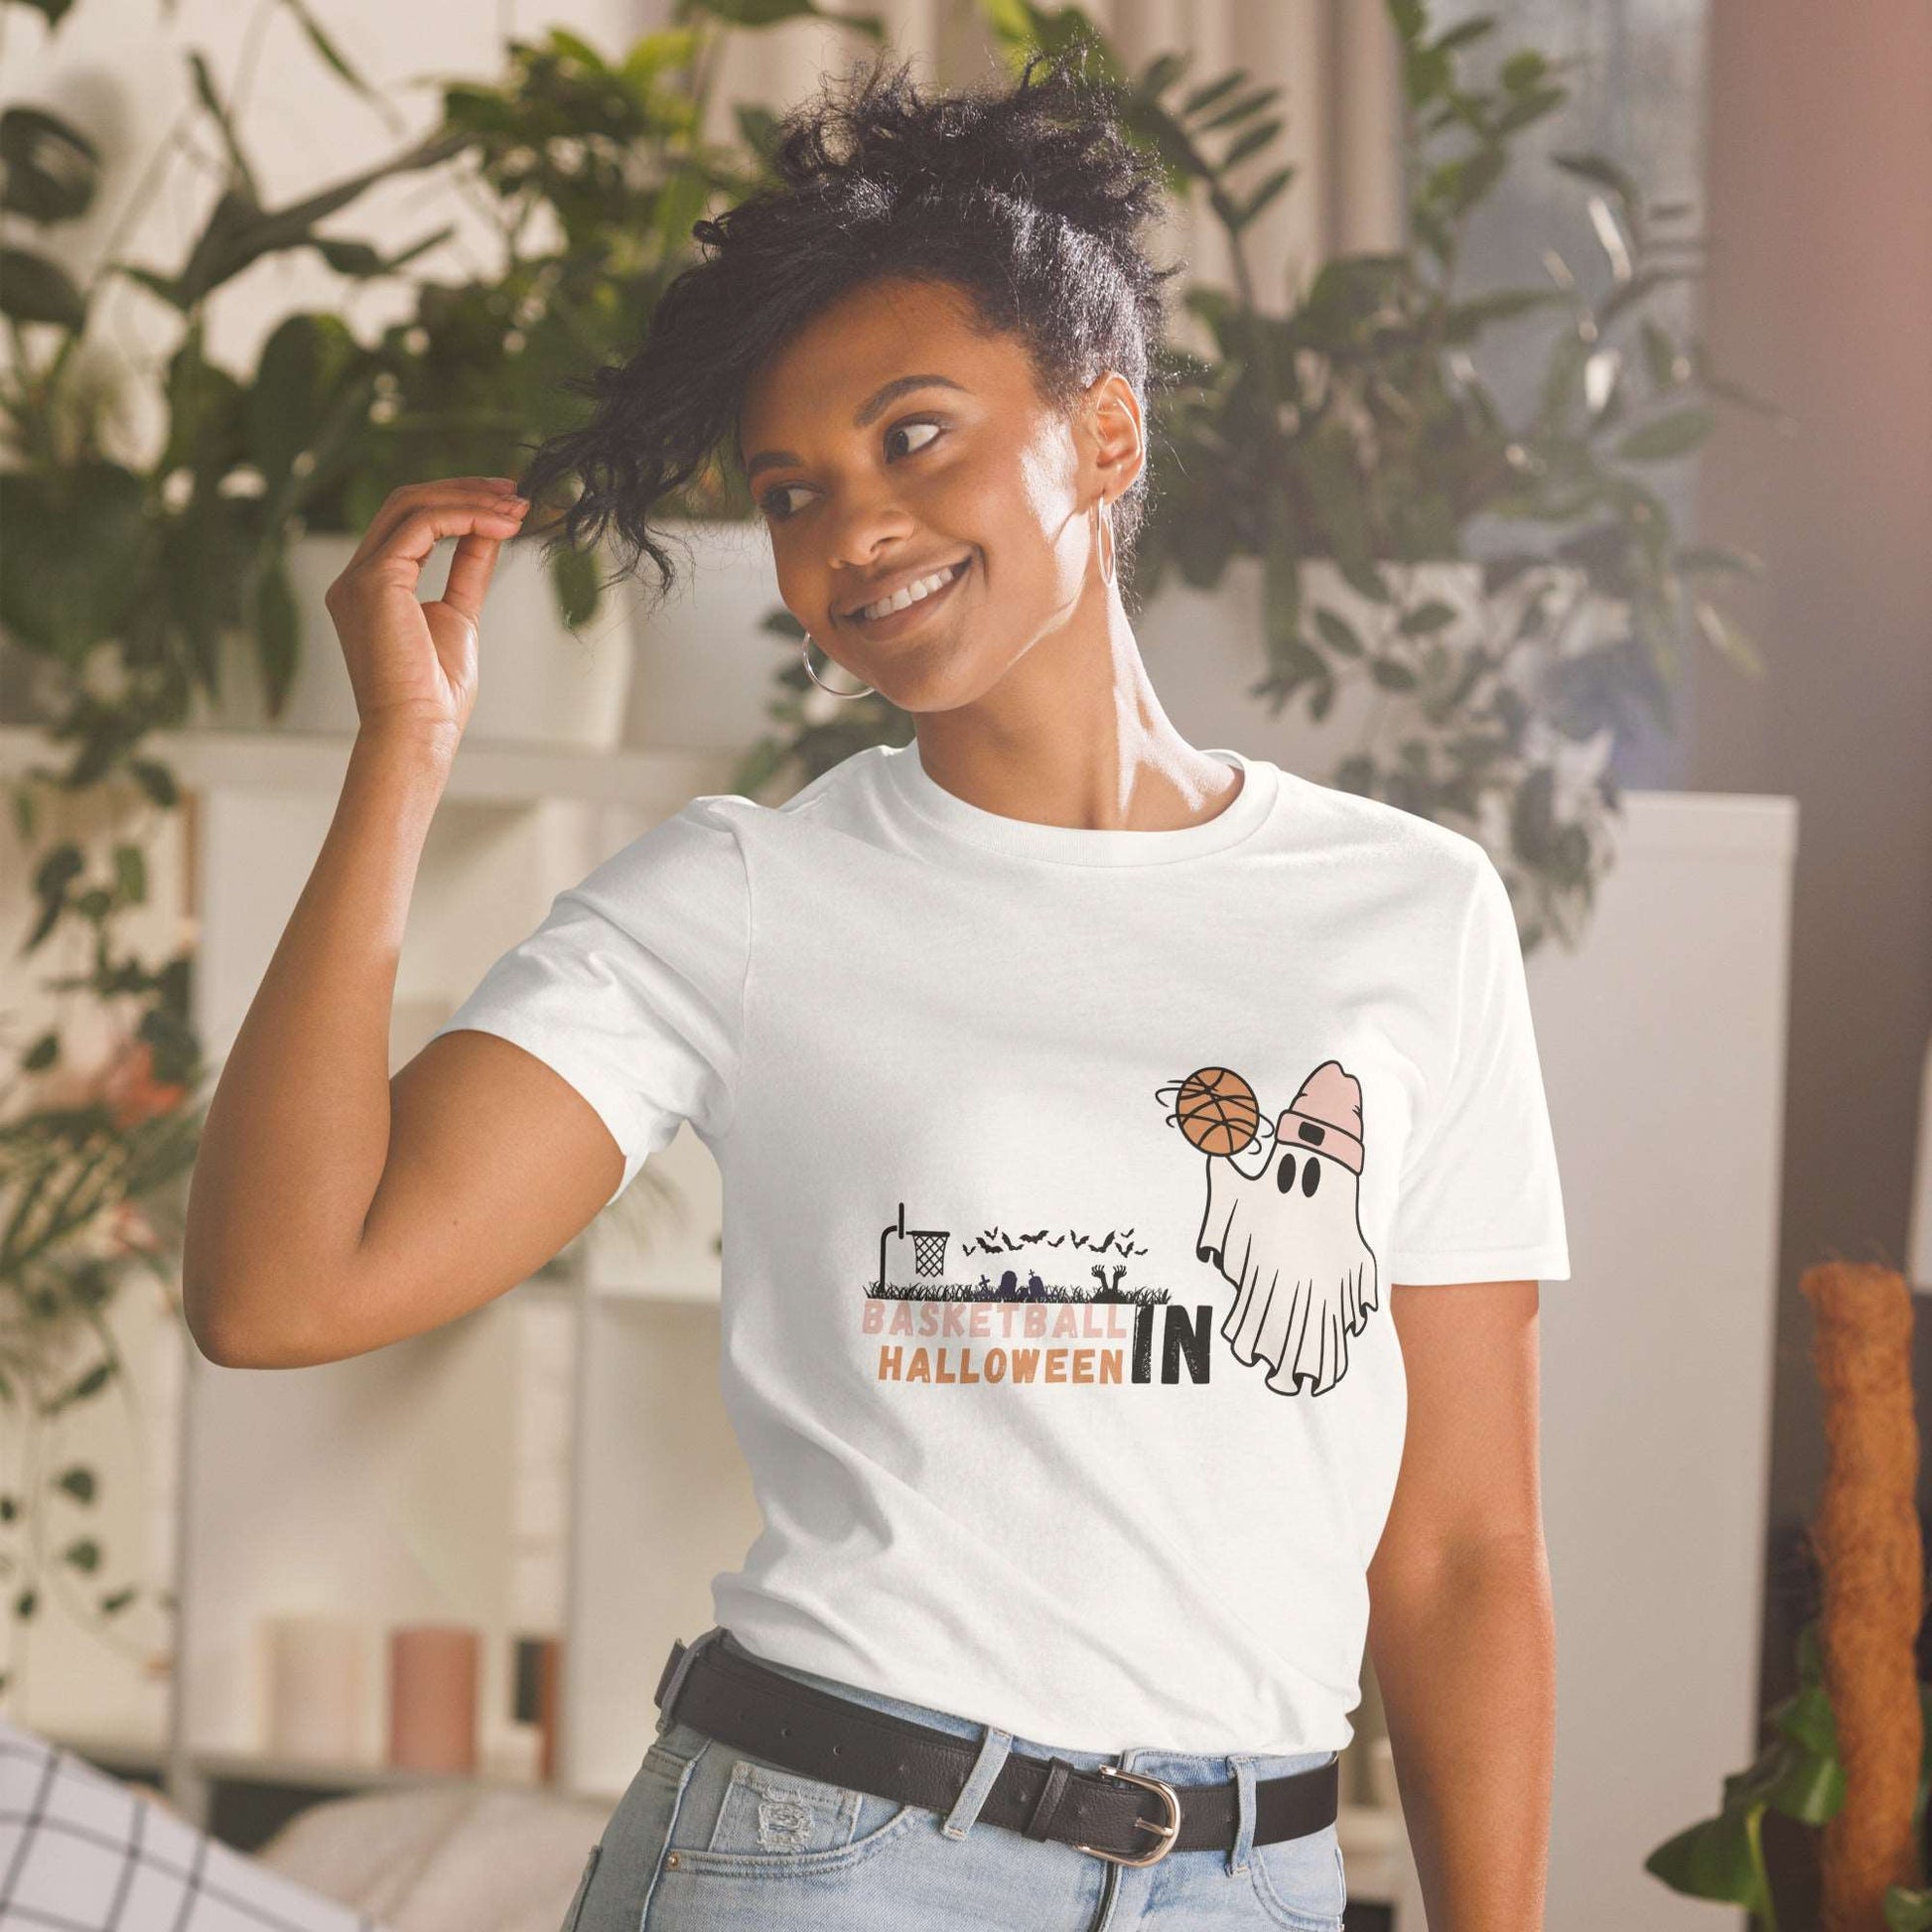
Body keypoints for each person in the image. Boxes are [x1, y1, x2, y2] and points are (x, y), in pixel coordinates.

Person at [182, 47, 1572, 1932]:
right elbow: (281, 1287)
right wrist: (403, 759)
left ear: (1102, 431)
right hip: (828, 1857)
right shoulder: (743, 897)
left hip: (1257, 1880)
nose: (847, 535)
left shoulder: (1408, 911)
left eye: (912, 436)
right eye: (789, 492)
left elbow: (1466, 1546)